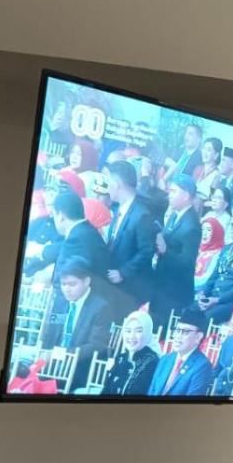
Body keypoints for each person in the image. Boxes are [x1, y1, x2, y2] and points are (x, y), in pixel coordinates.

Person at [40, 257, 118, 391]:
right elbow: (52, 333)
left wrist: (59, 354)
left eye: (72, 284)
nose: (66, 289)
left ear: (87, 281)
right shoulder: (60, 302)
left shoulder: (101, 308)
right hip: (51, 364)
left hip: (79, 369)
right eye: (63, 284)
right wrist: (44, 352)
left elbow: (95, 346)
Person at [103, 160, 157, 306]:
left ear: (117, 184)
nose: (107, 188)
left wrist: (123, 272)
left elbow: (147, 251)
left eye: (109, 183)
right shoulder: (118, 209)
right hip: (114, 285)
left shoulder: (141, 215)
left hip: (131, 289)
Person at [150, 172, 202, 321]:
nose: (169, 195)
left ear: (186, 195)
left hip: (175, 292)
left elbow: (187, 262)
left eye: (174, 191)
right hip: (162, 284)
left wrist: (165, 250)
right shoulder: (175, 215)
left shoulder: (191, 225)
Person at [147, 308, 214, 397]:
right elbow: (152, 390)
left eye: (185, 332)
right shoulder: (165, 359)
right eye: (177, 330)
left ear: (198, 337)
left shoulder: (202, 366)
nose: (178, 336)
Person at [102, 310, 161, 397]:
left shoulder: (152, 362)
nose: (132, 336)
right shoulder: (121, 358)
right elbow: (106, 389)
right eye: (128, 331)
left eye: (138, 331)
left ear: (147, 333)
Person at [193, 214, 226, 293]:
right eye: (202, 229)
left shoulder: (218, 254)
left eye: (209, 230)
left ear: (216, 233)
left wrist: (186, 281)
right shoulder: (197, 249)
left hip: (201, 291)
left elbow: (208, 278)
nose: (204, 233)